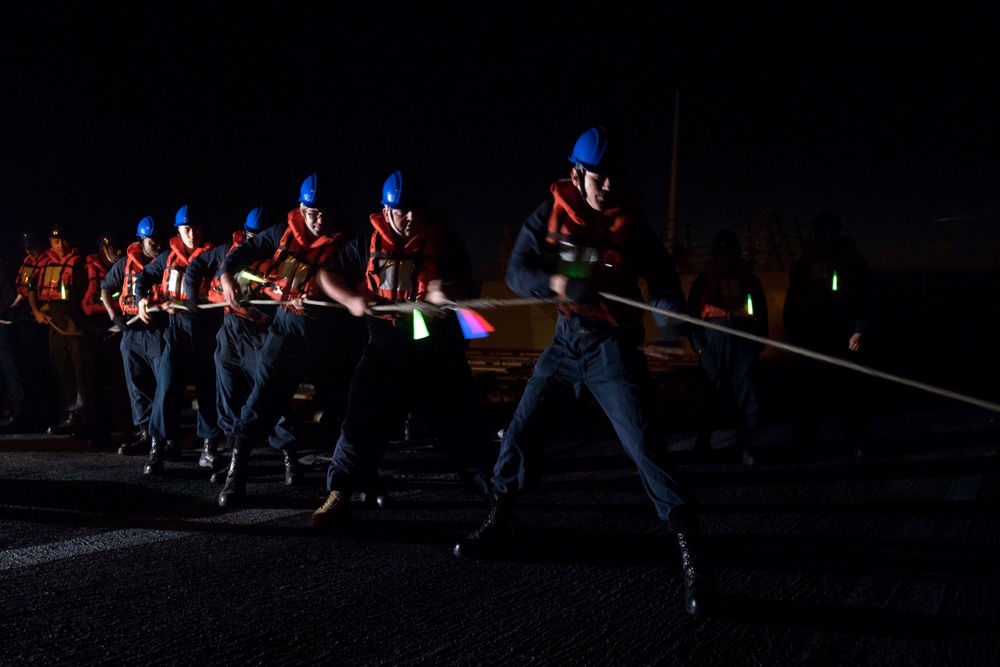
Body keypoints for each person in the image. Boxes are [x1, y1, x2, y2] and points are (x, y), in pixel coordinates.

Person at [451, 126, 714, 616]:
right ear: (578, 173)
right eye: (600, 176)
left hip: (613, 350)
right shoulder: (550, 214)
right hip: (566, 343)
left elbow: (660, 277)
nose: (609, 185)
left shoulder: (631, 224)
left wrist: (669, 317)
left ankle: (691, 550)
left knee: (646, 448)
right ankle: (503, 516)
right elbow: (517, 270)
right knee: (521, 432)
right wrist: (555, 281)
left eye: (616, 177)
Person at [309, 170, 494, 528]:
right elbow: (324, 273)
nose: (409, 217)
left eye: (415, 210)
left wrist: (447, 293)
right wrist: (350, 299)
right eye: (401, 210)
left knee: (465, 428)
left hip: (437, 351)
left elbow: (469, 293)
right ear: (386, 210)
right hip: (385, 348)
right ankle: (339, 494)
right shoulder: (365, 244)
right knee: (358, 422)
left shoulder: (446, 243)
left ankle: (497, 502)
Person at [214, 173, 363, 508]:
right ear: (300, 208)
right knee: (262, 399)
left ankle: (355, 480)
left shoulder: (352, 242)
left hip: (332, 335)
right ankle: (236, 475)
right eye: (312, 212)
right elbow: (242, 252)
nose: (318, 219)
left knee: (346, 408)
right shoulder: (281, 233)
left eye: (325, 212)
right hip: (289, 330)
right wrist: (225, 278)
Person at [183, 206, 299, 481]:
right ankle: (237, 459)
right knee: (228, 396)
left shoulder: (285, 261)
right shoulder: (228, 253)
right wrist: (191, 299)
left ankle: (290, 457)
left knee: (269, 395)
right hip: (231, 333)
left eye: (260, 237)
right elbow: (196, 265)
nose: (254, 243)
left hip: (262, 333)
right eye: (250, 236)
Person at [134, 205, 223, 476]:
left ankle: (209, 449)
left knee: (210, 392)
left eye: (196, 228)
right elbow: (143, 276)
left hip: (208, 332)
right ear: (178, 231)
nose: (192, 234)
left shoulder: (215, 255)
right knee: (166, 390)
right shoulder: (166, 258)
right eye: (186, 229)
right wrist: (141, 299)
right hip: (177, 332)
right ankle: (158, 448)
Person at [783, 209, 874, 457]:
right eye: (821, 231)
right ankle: (804, 441)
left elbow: (864, 296)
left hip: (839, 334)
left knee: (848, 389)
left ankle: (856, 440)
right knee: (806, 391)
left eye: (827, 231)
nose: (823, 236)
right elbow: (795, 296)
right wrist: (792, 327)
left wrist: (859, 330)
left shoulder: (852, 260)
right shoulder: (807, 262)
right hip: (811, 336)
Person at [686, 229, 768, 465]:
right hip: (713, 344)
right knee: (710, 394)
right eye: (721, 252)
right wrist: (700, 347)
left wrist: (756, 345)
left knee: (747, 393)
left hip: (743, 343)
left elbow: (760, 312)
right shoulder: (704, 281)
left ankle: (746, 445)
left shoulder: (749, 280)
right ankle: (702, 443)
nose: (726, 257)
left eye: (730, 251)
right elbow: (692, 315)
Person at [100, 216, 165, 455]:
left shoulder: (167, 262)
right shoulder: (126, 264)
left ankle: (167, 437)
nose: (157, 245)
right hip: (131, 331)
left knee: (163, 385)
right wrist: (114, 316)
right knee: (136, 385)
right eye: (152, 240)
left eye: (160, 240)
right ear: (142, 240)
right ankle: (145, 434)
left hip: (158, 330)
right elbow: (106, 288)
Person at [27, 224, 88, 434]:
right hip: (56, 325)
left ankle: (88, 415)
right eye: (55, 241)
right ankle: (73, 413)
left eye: (63, 241)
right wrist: (36, 311)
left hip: (76, 323)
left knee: (82, 370)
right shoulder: (46, 263)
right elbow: (32, 288)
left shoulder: (80, 263)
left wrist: (78, 322)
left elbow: (84, 295)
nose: (60, 245)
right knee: (63, 369)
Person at [78, 231, 129, 447]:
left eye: (120, 248)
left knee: (121, 383)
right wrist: (87, 328)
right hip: (94, 332)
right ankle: (99, 430)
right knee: (93, 384)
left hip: (118, 329)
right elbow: (77, 300)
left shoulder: (128, 268)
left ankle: (128, 430)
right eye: (113, 248)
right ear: (103, 250)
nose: (118, 252)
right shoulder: (86, 271)